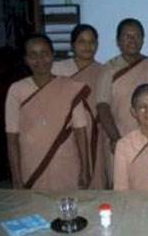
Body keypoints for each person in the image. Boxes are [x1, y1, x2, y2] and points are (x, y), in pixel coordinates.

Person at [5, 34, 90, 191]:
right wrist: (17, 180)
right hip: (31, 167)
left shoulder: (71, 87)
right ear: (25, 59)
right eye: (33, 55)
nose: (40, 60)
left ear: (53, 55)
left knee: (68, 212)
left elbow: (80, 131)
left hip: (66, 166)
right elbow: (12, 140)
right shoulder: (16, 90)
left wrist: (85, 169)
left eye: (44, 53)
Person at [96, 18, 148, 188]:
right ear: (118, 40)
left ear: (143, 39)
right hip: (119, 138)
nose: (132, 40)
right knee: (122, 187)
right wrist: (116, 139)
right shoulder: (109, 68)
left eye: (137, 36)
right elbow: (102, 106)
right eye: (127, 36)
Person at [52, 24, 107, 189]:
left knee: (95, 181)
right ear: (72, 45)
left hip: (96, 134)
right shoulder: (57, 69)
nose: (87, 46)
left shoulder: (104, 71)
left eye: (92, 42)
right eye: (82, 41)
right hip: (65, 134)